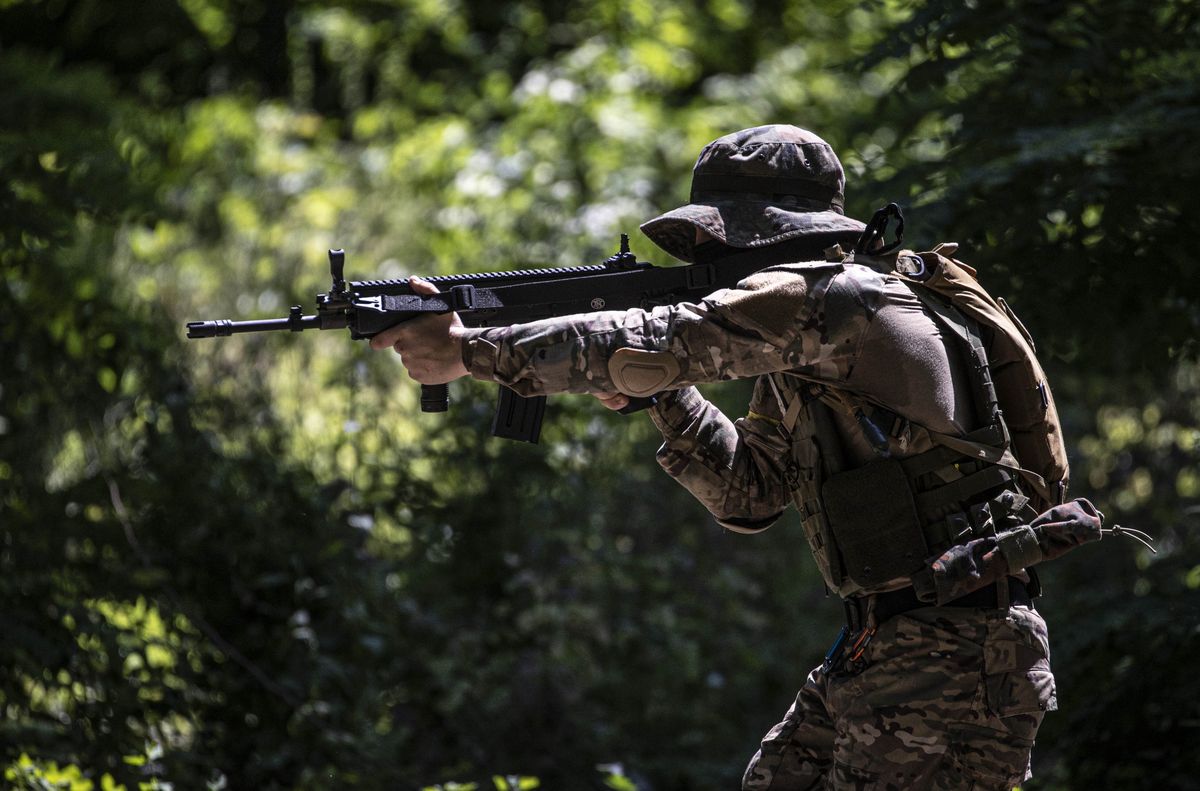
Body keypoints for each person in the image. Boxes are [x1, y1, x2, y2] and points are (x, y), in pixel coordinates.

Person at [370, 125, 1070, 789]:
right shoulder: (810, 348)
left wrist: (468, 351)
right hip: (897, 643)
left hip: (953, 649)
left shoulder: (845, 301)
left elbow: (667, 334)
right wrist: (664, 400)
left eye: (724, 240)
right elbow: (751, 494)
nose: (709, 262)